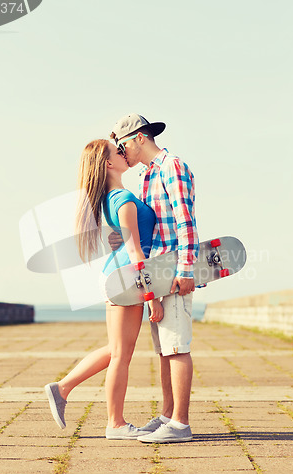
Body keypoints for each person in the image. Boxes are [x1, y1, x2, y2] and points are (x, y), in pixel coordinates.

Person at [44, 139, 163, 440]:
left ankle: (62, 388)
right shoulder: (121, 198)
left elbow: (123, 243)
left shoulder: (111, 197)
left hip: (116, 276)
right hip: (126, 279)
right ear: (109, 163)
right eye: (117, 152)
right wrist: (151, 298)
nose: (123, 154)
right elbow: (137, 253)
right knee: (122, 354)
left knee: (115, 350)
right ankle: (116, 423)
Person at [109, 113, 199, 443]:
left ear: (139, 138)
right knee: (164, 349)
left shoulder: (172, 167)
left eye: (123, 146)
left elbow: (185, 223)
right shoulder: (147, 177)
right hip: (160, 274)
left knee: (176, 347)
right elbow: (154, 231)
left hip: (177, 271)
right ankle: (167, 415)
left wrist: (186, 271)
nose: (122, 153)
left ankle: (181, 424)